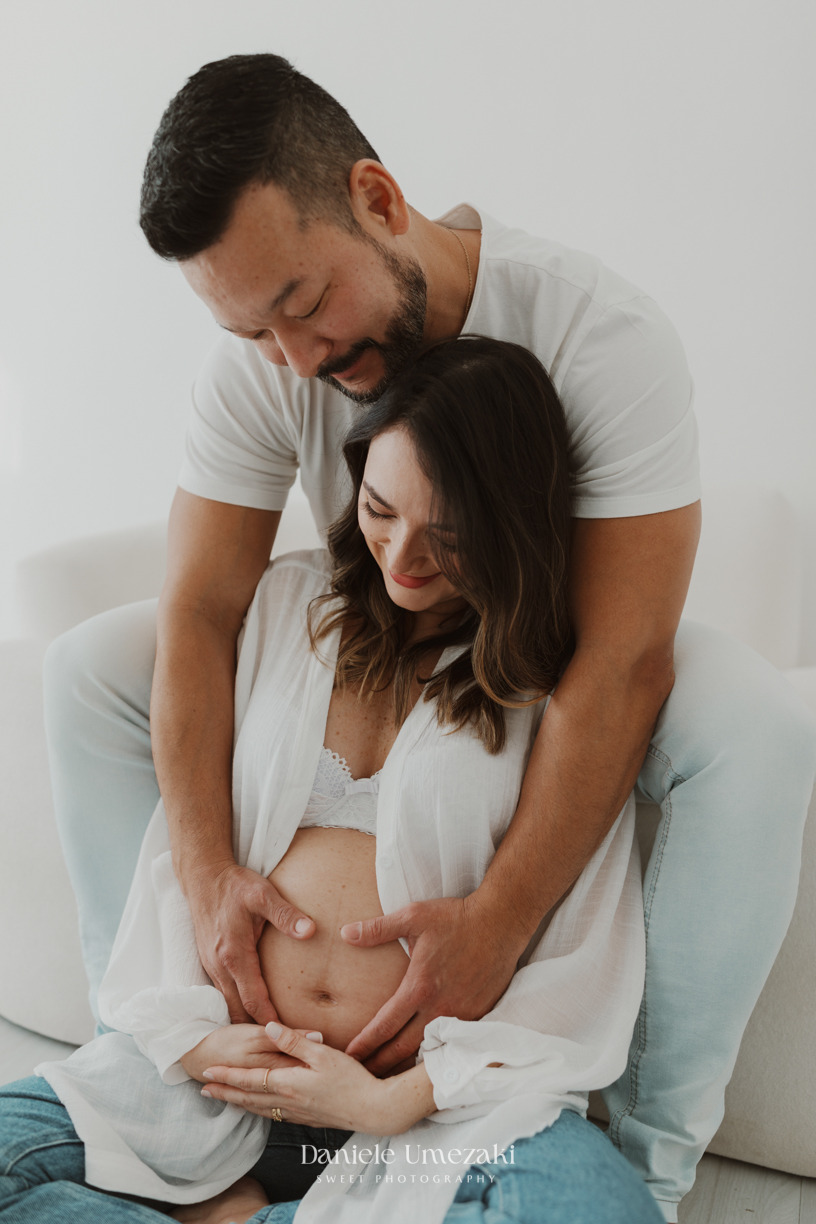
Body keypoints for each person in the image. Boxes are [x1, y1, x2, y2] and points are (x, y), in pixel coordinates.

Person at [41, 53, 816, 1223]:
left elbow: (621, 659)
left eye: (302, 307)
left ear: (378, 199)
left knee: (753, 720)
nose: (293, 364)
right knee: (90, 664)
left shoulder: (598, 336)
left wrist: (498, 924)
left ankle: (643, 1166)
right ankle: (165, 1062)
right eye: (252, 331)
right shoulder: (270, 360)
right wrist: (207, 881)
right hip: (358, 656)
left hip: (549, 637)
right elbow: (200, 610)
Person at [3, 338, 659, 1224]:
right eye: (381, 509)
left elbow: (577, 942)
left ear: (513, 523)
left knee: (594, 1212)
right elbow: (186, 851)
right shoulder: (287, 606)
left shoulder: (554, 685)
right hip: (218, 1078)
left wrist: (392, 1101)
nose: (403, 556)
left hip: (431, 1111)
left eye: (450, 534)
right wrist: (195, 1046)